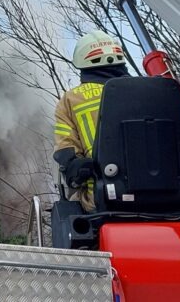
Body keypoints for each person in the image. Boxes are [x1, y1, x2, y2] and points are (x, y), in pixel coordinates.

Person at [53, 30, 131, 212]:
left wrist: (74, 169)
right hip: (169, 197)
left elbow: (65, 151)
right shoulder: (151, 90)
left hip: (102, 201)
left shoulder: (70, 100)